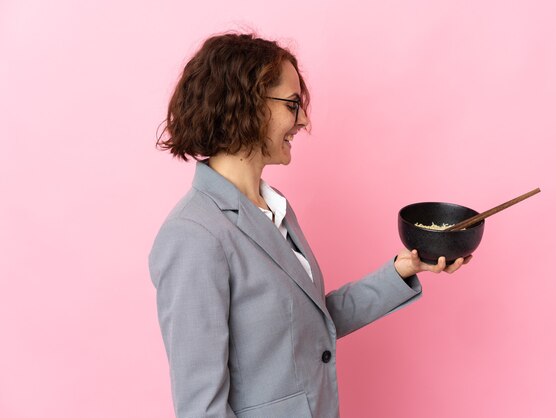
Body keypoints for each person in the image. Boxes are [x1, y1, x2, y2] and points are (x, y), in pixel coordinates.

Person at [149, 33, 470, 418]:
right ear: (244, 103)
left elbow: (309, 324)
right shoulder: (193, 235)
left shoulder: (275, 209)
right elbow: (202, 410)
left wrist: (405, 269)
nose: (303, 121)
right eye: (292, 104)